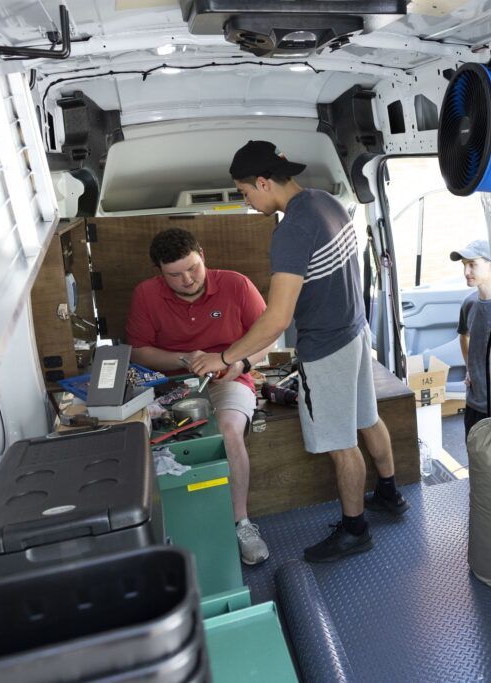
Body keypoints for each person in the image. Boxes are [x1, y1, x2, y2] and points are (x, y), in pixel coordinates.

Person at [192, 140, 409, 563]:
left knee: (339, 443)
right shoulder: (325, 201)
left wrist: (224, 358)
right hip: (355, 333)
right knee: (368, 418)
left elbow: (276, 319)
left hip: (326, 346)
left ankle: (355, 529)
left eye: (245, 192)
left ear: (261, 182)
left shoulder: (290, 230)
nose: (247, 201)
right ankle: (390, 494)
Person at [126, 228, 274, 566]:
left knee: (229, 430)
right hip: (168, 384)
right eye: (175, 275)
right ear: (159, 273)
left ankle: (242, 524)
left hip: (229, 377)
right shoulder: (146, 295)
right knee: (142, 438)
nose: (187, 279)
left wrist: (241, 362)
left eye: (193, 268)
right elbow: (139, 352)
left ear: (203, 255)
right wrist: (186, 359)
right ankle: (162, 532)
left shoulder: (237, 285)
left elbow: (268, 335)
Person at [452, 239, 491, 437]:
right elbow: (464, 337)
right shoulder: (469, 304)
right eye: (464, 266)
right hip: (474, 401)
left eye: (472, 264)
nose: (466, 272)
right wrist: (469, 367)